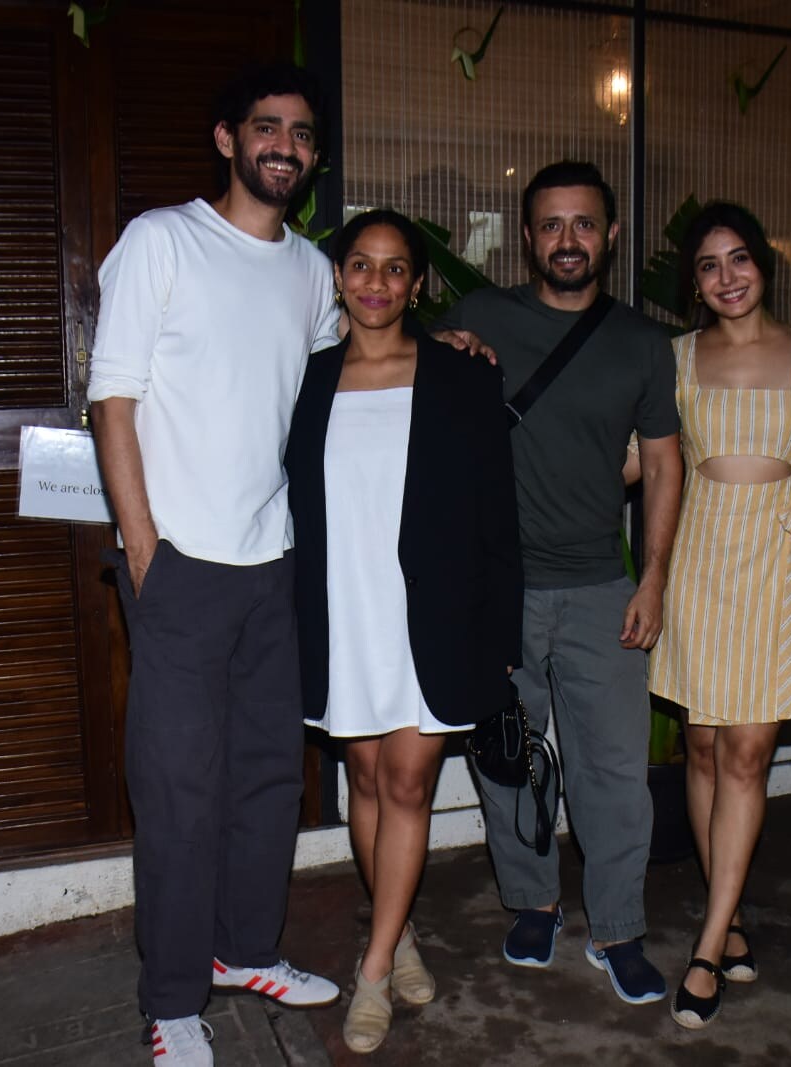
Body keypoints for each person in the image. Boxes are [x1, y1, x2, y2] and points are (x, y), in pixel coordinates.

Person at [87, 63, 344, 1067]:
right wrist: (145, 551)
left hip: (270, 564)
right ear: (227, 138)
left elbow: (338, 386)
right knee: (178, 790)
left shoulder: (313, 270)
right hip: (181, 566)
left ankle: (246, 949)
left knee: (268, 780)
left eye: (303, 134)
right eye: (267, 128)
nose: (285, 145)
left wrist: (435, 346)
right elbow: (113, 403)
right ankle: (172, 996)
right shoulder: (162, 241)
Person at [434, 161, 684, 1005]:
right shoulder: (482, 315)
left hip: (597, 587)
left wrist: (650, 577)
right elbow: (400, 373)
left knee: (613, 770)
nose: (567, 240)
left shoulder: (644, 343)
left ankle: (617, 927)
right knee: (510, 761)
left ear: (610, 237)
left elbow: (661, 462)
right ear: (527, 234)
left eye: (584, 224)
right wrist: (442, 347)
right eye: (551, 224)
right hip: (497, 593)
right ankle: (533, 897)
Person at [284, 210, 523, 1053]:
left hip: (436, 612)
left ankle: (375, 966)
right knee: (368, 780)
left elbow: (498, 514)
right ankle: (400, 927)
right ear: (340, 277)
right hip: (341, 606)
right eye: (361, 265)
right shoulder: (307, 380)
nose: (377, 283)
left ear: (416, 282)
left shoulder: (461, 376)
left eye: (394, 269)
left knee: (412, 783)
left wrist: (501, 634)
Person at [647, 201, 791, 1030]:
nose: (726, 277)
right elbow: (642, 459)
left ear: (763, 264)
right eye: (708, 266)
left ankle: (708, 945)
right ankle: (730, 909)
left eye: (738, 258)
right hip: (701, 556)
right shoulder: (671, 358)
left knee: (746, 752)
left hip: (781, 561)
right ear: (694, 284)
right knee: (703, 748)